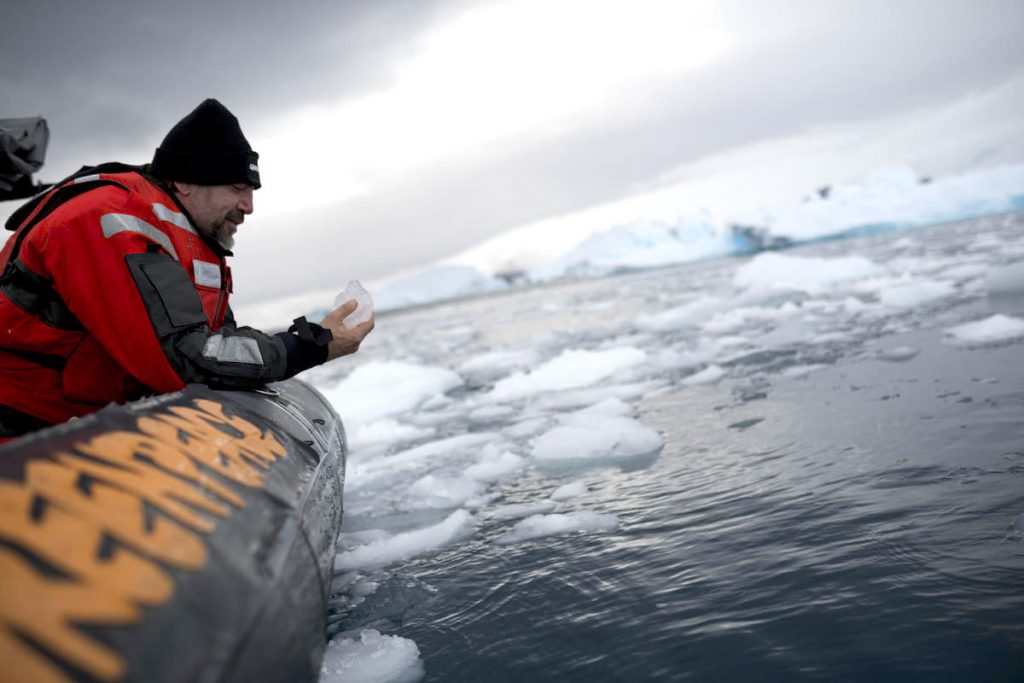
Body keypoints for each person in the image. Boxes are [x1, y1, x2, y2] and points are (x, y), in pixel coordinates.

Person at [0, 98, 374, 443]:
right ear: (184, 182)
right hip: (23, 433)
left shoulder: (189, 237)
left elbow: (219, 341)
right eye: (238, 188)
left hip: (81, 425)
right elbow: (187, 359)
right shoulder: (112, 220)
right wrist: (312, 347)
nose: (249, 206)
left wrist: (309, 342)